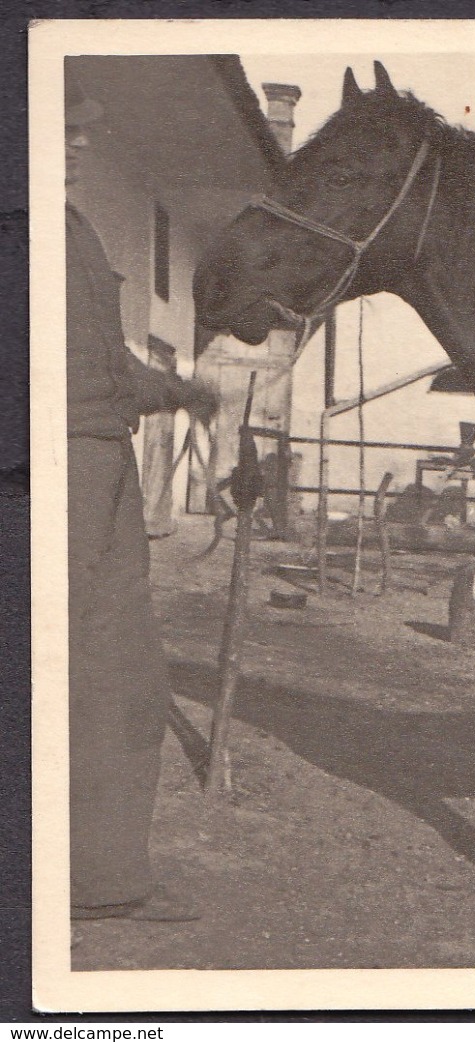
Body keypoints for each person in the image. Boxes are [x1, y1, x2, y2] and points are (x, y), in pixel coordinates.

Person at [66, 75, 216, 922]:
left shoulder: (73, 232)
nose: (81, 143)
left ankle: (104, 878)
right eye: (62, 129)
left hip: (101, 468)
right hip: (55, 472)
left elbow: (103, 364)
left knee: (124, 678)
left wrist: (182, 392)